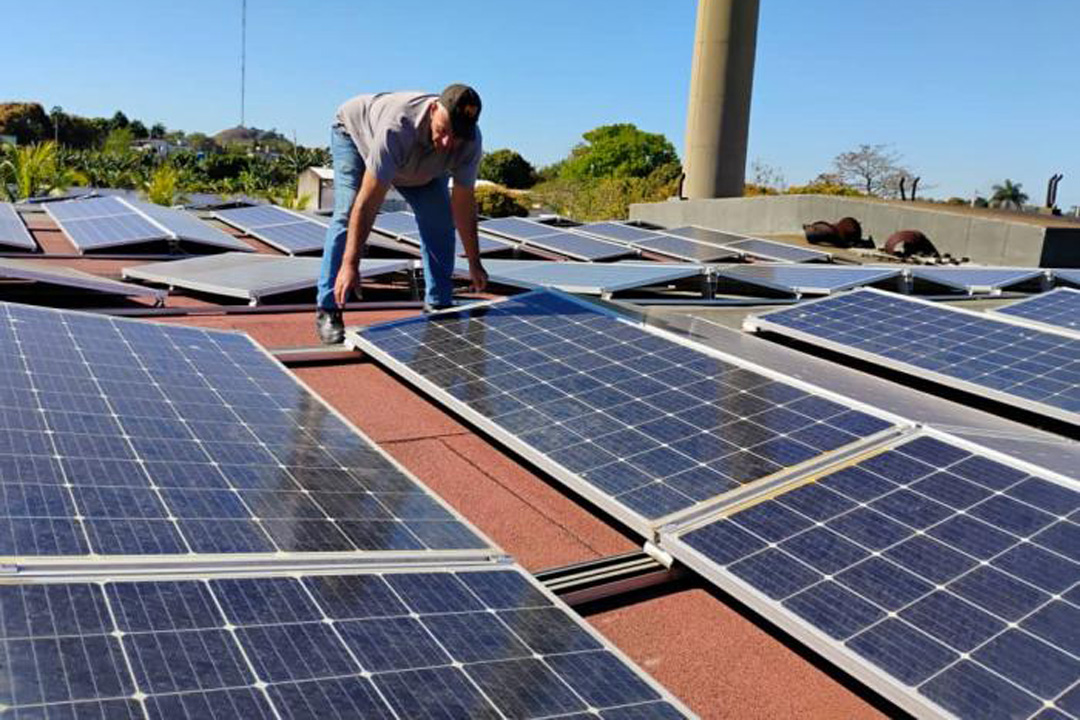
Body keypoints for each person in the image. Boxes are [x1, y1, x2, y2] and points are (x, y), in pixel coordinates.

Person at [315, 84, 489, 344]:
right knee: (348, 209)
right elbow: (367, 204)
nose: (447, 143)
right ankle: (329, 308)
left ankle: (439, 304)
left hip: (418, 168)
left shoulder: (469, 143)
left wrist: (475, 263)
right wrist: (351, 264)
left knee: (439, 221)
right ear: (432, 110)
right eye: (443, 131)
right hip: (356, 136)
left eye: (456, 136)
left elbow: (463, 205)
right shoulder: (397, 127)